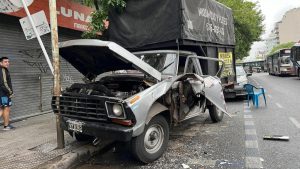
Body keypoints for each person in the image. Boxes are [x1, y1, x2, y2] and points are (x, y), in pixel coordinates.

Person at [0, 57, 14, 130]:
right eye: (5, 62)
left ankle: (6, 125)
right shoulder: (2, 70)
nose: (7, 63)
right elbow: (4, 83)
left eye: (8, 61)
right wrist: (10, 92)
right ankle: (6, 126)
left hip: (2, 93)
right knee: (4, 109)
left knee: (4, 108)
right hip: (4, 94)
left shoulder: (4, 69)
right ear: (1, 63)